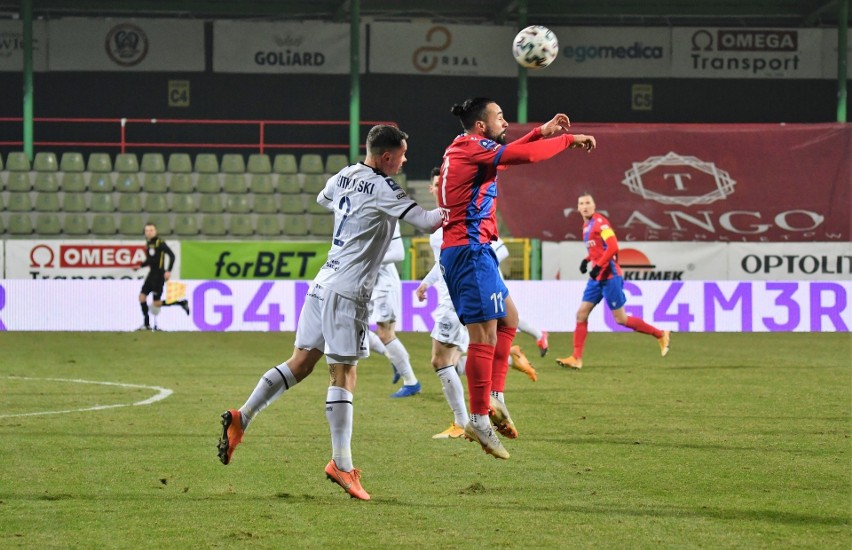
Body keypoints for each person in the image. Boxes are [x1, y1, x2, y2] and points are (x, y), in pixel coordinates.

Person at [217, 125, 443, 501]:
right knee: (344, 372)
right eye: (402, 155)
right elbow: (429, 220)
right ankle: (341, 462)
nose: (405, 161)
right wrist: (466, 204)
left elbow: (325, 198)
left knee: (301, 362)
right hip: (349, 291)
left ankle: (243, 416)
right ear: (386, 156)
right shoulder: (385, 187)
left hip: (322, 282)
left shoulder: (344, 174)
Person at [439, 97, 596, 459]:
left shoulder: (468, 148)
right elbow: (523, 156)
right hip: (468, 249)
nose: (506, 122)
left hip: (476, 250)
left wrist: (542, 131)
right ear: (481, 126)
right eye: (500, 117)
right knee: (483, 334)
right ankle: (477, 419)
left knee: (508, 319)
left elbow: (509, 152)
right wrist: (568, 140)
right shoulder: (473, 148)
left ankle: (494, 396)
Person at [556, 192, 671, 370]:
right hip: (597, 278)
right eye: (581, 203)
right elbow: (598, 248)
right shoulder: (586, 226)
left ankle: (660, 334)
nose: (585, 206)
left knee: (621, 319)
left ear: (594, 206)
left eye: (588, 203)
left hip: (610, 276)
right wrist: (587, 260)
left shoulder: (601, 223)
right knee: (581, 314)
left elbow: (613, 247)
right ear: (578, 208)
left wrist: (597, 266)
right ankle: (576, 358)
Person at [368, 221, 422, 398]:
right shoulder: (361, 212)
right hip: (371, 282)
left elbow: (398, 253)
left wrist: (366, 258)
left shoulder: (386, 215)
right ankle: (394, 357)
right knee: (354, 327)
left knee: (385, 334)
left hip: (384, 284)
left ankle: (411, 382)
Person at [132, 222, 189, 331]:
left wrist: (168, 271)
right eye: (147, 230)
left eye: (151, 230)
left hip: (158, 275)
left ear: (156, 231)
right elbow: (150, 260)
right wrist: (140, 266)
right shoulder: (148, 244)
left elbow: (172, 255)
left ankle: (181, 302)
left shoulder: (160, 242)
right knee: (142, 297)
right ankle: (146, 324)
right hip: (151, 274)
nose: (149, 232)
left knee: (156, 303)